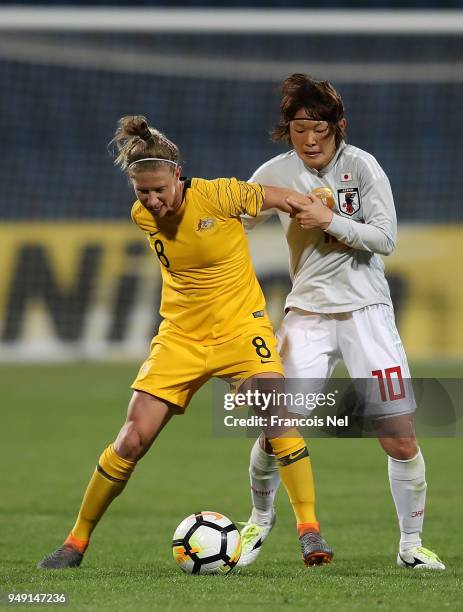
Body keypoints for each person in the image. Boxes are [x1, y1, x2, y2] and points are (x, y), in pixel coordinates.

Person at [37, 114, 332, 570]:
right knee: (133, 439)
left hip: (241, 330)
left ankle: (309, 532)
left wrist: (317, 204)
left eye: (160, 189)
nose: (152, 201)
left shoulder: (220, 195)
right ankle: (75, 543)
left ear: (179, 174)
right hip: (181, 337)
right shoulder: (141, 216)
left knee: (277, 412)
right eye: (142, 191)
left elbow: (284, 200)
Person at [238, 74, 445, 570]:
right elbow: (233, 217)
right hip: (306, 315)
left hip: (367, 316)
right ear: (287, 130)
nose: (309, 140)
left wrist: (328, 221)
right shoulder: (276, 171)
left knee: (399, 434)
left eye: (319, 129)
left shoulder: (364, 167)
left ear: (339, 126)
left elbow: (385, 238)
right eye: (298, 129)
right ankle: (258, 522)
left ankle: (410, 546)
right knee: (276, 430)